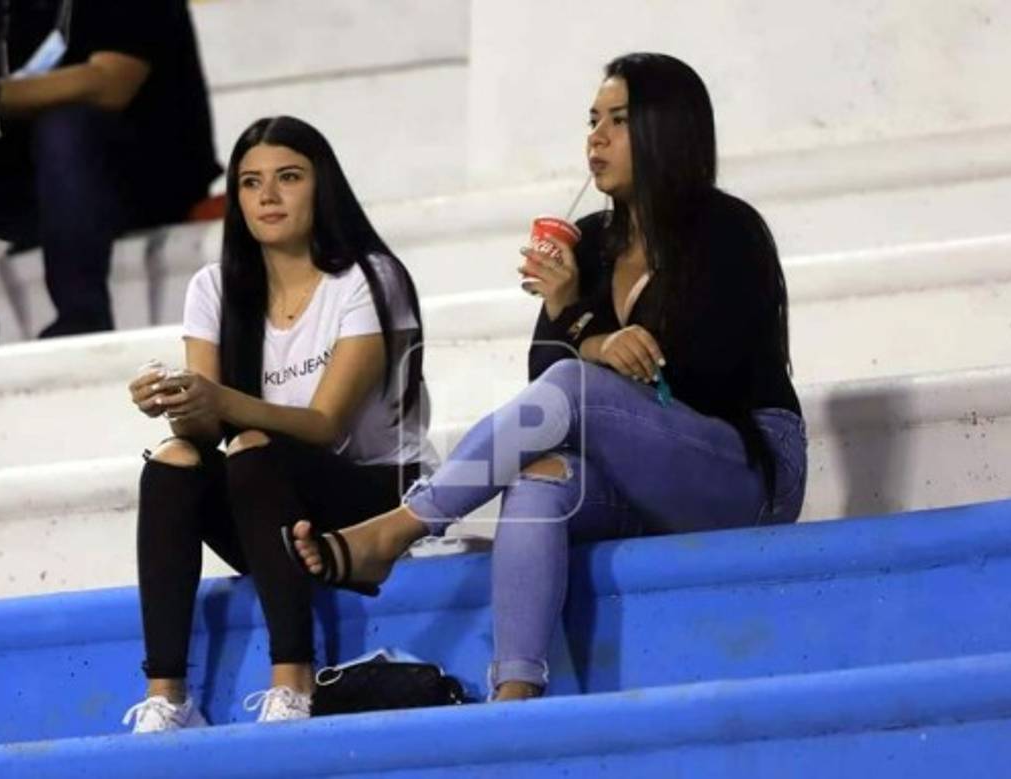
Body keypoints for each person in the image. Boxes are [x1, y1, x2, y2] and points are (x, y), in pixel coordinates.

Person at [289, 52, 808, 702]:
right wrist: (577, 322)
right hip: (637, 482)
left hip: (746, 473)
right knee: (538, 482)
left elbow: (700, 373)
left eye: (618, 120)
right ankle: (515, 695)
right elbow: (545, 388)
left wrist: (575, 317)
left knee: (575, 390)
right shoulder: (589, 242)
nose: (596, 137)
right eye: (593, 120)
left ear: (667, 130)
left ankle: (401, 526)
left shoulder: (728, 232)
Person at [121, 116, 431, 731]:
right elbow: (205, 435)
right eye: (250, 182)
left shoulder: (368, 279)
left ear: (323, 187)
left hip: (372, 494)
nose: (268, 196)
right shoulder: (213, 287)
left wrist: (220, 401)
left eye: (288, 178)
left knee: (255, 445)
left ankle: (293, 682)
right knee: (172, 461)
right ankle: (168, 697)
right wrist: (175, 402)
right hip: (266, 502)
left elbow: (325, 425)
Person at [0, 0, 222, 350]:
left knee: (64, 126)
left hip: (147, 179)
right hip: (50, 186)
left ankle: (80, 320)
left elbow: (110, 82)